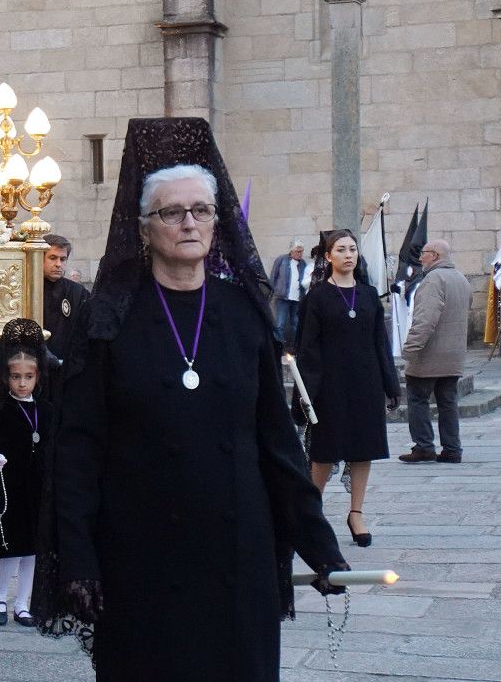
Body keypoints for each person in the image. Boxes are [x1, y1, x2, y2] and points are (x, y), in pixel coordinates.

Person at [33, 118, 349, 679]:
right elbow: (78, 450)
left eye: (201, 210)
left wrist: (319, 545)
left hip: (236, 551)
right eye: (171, 213)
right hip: (140, 553)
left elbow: (277, 445)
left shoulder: (244, 313)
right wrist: (77, 556)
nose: (188, 223)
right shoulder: (107, 321)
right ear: (144, 227)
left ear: (218, 221)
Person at [295, 230, 401, 547]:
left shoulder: (368, 295)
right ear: (328, 257)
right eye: (341, 249)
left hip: (365, 384)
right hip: (330, 386)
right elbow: (307, 349)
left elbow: (380, 343)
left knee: (362, 449)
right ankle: (310, 513)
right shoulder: (316, 298)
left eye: (352, 249)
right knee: (324, 451)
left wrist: (389, 382)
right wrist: (305, 395)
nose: (348, 255)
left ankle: (356, 513)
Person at [0, 318, 51, 629]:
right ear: (6, 377)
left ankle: (23, 602)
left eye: (28, 377)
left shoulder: (45, 408)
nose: (22, 383)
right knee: (10, 545)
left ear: (38, 377)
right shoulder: (1, 409)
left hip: (37, 486)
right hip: (9, 488)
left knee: (33, 547)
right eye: (16, 377)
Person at [399, 239, 472, 464]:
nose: (420, 257)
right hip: (453, 355)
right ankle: (452, 448)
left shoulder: (433, 279)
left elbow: (425, 320)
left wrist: (410, 349)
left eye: (424, 253)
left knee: (417, 398)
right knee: (448, 401)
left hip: (429, 355)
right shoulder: (461, 279)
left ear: (435, 255)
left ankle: (423, 446)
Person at [41, 234, 90, 367]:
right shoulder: (29, 289)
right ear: (40, 258)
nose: (58, 264)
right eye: (52, 258)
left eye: (63, 259)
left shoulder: (78, 292)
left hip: (68, 366)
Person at [269, 239, 311, 352]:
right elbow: (273, 276)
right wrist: (271, 292)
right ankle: (278, 348)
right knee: (280, 324)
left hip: (297, 299)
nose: (300, 254)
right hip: (282, 297)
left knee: (296, 324)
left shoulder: (303, 264)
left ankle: (295, 347)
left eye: (301, 251)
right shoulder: (281, 260)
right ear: (291, 251)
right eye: (298, 251)